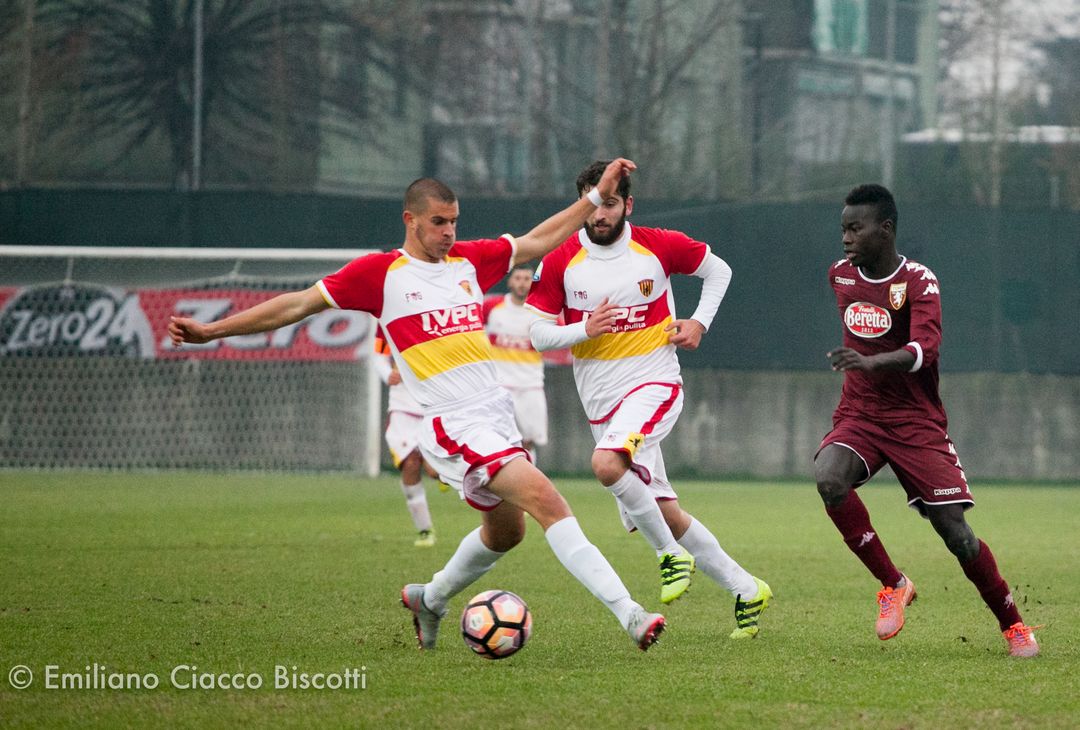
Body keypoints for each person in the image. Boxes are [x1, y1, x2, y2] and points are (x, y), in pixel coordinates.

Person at [168, 158, 668, 652]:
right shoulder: (380, 273)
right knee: (549, 502)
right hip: (453, 423)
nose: (449, 232)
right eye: (438, 222)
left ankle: (429, 599)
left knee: (506, 533)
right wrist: (211, 330)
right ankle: (630, 614)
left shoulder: (467, 262)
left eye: (454, 222)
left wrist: (594, 199)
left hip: (495, 416)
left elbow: (537, 241)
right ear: (410, 220)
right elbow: (297, 304)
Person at [525, 160, 772, 638]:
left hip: (655, 384)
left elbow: (718, 271)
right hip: (601, 405)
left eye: (610, 204)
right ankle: (746, 589)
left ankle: (670, 557)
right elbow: (535, 333)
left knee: (605, 465)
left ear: (627, 205)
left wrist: (700, 322)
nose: (600, 215)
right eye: (593, 205)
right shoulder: (558, 261)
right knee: (663, 512)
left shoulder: (656, 246)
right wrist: (582, 328)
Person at [814, 183, 1040, 657]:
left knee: (956, 534)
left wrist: (873, 362)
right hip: (860, 414)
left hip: (916, 422)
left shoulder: (918, 281)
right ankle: (893, 584)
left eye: (856, 228)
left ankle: (1013, 625)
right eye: (843, 229)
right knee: (830, 479)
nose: (846, 239)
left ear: (886, 229)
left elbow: (925, 350)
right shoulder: (840, 276)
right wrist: (864, 372)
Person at [372, 330, 442, 548]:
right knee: (410, 464)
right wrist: (387, 374)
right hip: (402, 407)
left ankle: (441, 473)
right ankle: (425, 530)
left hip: (434, 407)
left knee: (436, 472)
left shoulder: (437, 316)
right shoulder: (387, 320)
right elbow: (379, 355)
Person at [482, 264, 549, 463]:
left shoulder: (540, 312)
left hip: (531, 385)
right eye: (518, 278)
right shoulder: (492, 307)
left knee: (528, 440)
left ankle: (530, 481)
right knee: (500, 438)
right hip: (500, 385)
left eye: (527, 279)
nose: (522, 283)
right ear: (510, 281)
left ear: (533, 282)